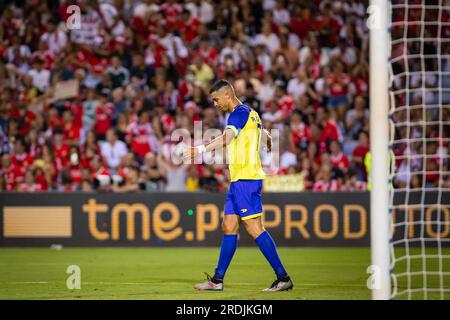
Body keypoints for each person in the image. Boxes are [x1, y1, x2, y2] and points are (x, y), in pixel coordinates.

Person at [183, 79, 293, 292]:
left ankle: (283, 278)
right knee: (229, 226)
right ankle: (217, 280)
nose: (215, 104)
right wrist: (268, 142)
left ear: (227, 95)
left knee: (254, 228)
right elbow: (264, 135)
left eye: (216, 99)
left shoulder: (238, 114)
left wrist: (200, 150)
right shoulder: (251, 113)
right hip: (238, 180)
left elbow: (227, 138)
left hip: (247, 179)